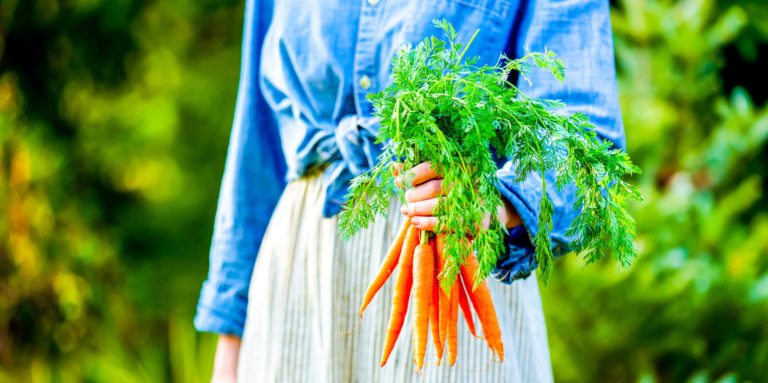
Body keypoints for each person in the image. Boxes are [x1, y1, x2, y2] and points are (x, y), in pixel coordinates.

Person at [194, 0, 625, 381]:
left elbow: (587, 138)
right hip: (298, 276)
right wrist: (230, 342)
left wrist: (494, 201)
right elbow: (259, 140)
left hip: (453, 260)